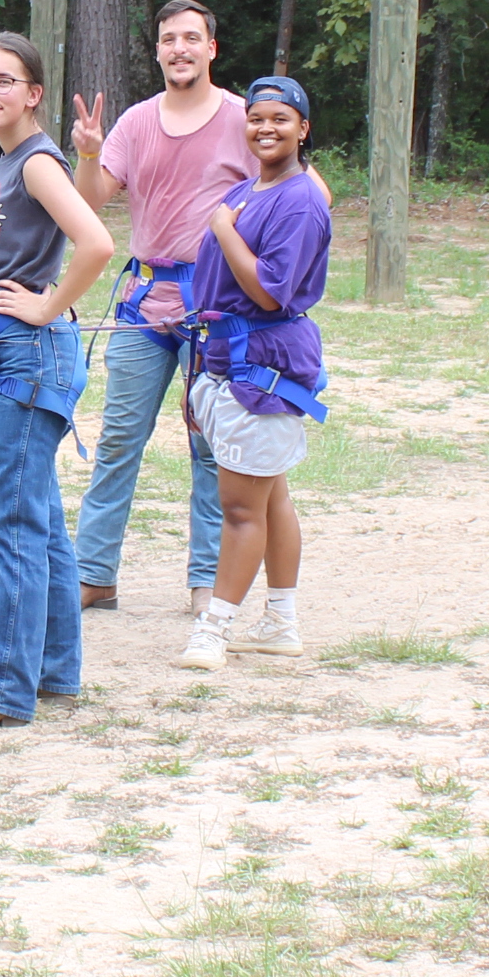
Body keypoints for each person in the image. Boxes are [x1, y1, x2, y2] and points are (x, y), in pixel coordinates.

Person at [0, 32, 115, 730]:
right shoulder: (4, 163)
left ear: (33, 94)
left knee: (8, 521)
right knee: (37, 520)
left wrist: (44, 304)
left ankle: (4, 691)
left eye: (5, 81)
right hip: (11, 352)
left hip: (28, 354)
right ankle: (55, 673)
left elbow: (96, 242)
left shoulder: (34, 163)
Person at [68, 0, 246, 615]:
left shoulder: (245, 120)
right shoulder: (137, 122)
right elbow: (90, 199)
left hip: (216, 309)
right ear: (159, 51)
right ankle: (94, 575)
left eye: (192, 38)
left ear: (211, 49)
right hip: (145, 305)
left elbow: (299, 191)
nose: (180, 49)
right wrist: (89, 153)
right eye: (170, 39)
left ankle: (206, 583)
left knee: (209, 445)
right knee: (119, 439)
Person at [175, 76, 331, 672]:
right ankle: (281, 623)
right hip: (227, 361)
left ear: (303, 129)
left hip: (261, 367)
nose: (266, 128)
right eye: (257, 117)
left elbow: (270, 291)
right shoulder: (249, 190)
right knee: (270, 500)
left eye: (281, 119)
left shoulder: (299, 199)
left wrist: (221, 229)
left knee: (241, 509)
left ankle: (214, 628)